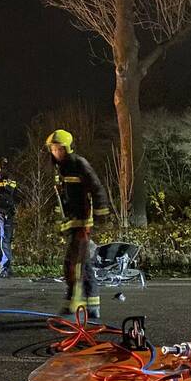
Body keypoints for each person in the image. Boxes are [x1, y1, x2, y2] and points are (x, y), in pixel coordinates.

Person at [46, 129, 109, 319]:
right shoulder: (59, 168)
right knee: (84, 262)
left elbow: (97, 188)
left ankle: (72, 303)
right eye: (53, 149)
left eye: (59, 149)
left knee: (74, 264)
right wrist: (60, 219)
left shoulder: (79, 164)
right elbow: (62, 198)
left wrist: (101, 214)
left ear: (67, 148)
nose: (56, 153)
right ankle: (93, 304)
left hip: (83, 221)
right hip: (72, 221)